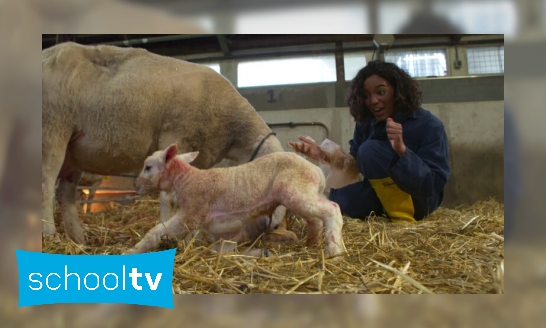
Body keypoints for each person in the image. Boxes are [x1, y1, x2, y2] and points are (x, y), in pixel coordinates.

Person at [288, 60, 450, 224]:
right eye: (366, 96)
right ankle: (386, 212)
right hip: (380, 193)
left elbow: (433, 184)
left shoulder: (429, 125)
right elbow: (354, 167)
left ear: (398, 91)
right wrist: (325, 155)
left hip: (419, 200)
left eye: (381, 92)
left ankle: (402, 222)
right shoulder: (366, 122)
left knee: (369, 150)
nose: (372, 101)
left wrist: (402, 151)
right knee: (337, 201)